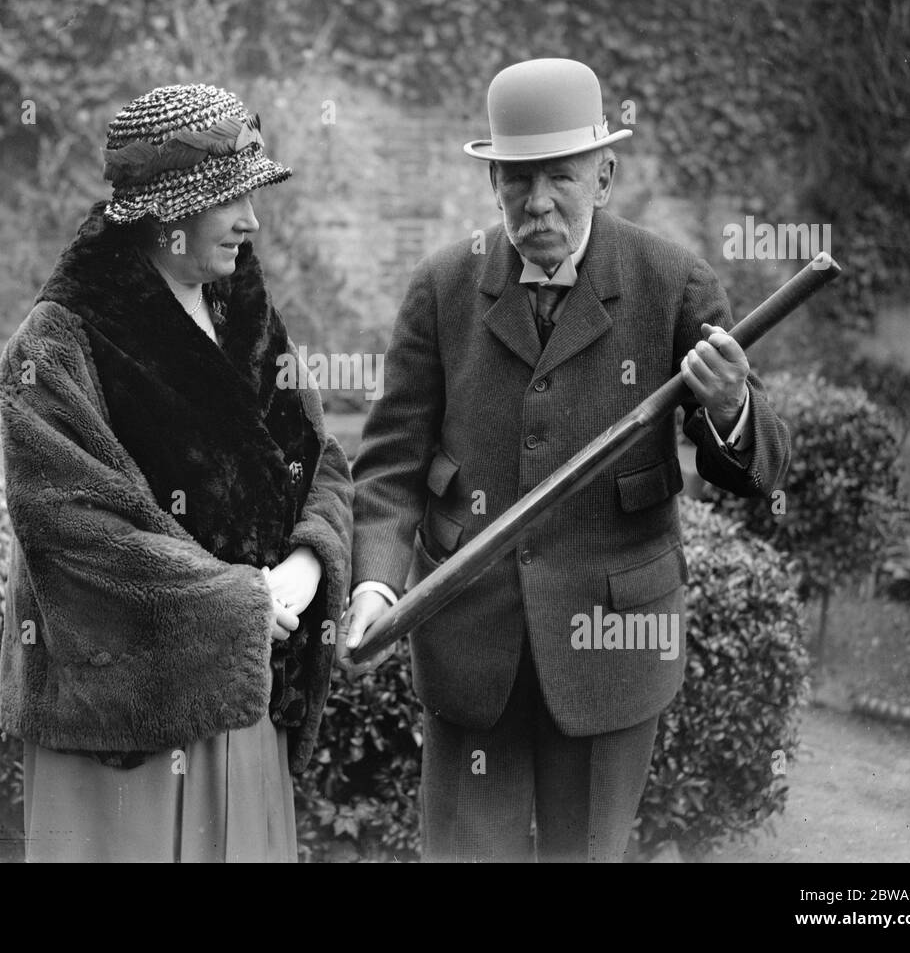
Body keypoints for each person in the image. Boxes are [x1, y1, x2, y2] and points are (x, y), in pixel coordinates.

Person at [338, 58, 790, 862]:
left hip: (612, 650)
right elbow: (389, 465)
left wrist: (730, 408)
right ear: (493, 184)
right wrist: (375, 581)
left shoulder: (671, 283)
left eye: (561, 178)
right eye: (516, 180)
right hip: (469, 646)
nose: (537, 204)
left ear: (605, 174)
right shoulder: (444, 286)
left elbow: (761, 470)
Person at [0, 82, 352, 862]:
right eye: (232, 199)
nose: (253, 220)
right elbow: (78, 536)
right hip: (123, 732)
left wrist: (304, 557)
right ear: (167, 211)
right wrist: (242, 601)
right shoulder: (55, 344)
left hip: (242, 708)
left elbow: (319, 461)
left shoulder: (244, 314)